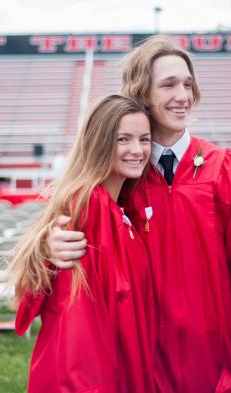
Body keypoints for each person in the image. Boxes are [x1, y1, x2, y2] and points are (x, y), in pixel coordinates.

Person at [46, 36, 231, 393]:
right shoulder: (123, 176)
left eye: (188, 84)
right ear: (142, 93)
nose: (184, 96)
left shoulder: (223, 167)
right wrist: (54, 243)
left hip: (215, 356)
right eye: (169, 85)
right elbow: (87, 229)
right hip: (145, 357)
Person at [10, 95, 156, 393]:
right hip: (86, 379)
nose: (137, 150)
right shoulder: (90, 206)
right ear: (100, 143)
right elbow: (80, 318)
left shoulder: (120, 210)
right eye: (123, 139)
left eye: (144, 139)